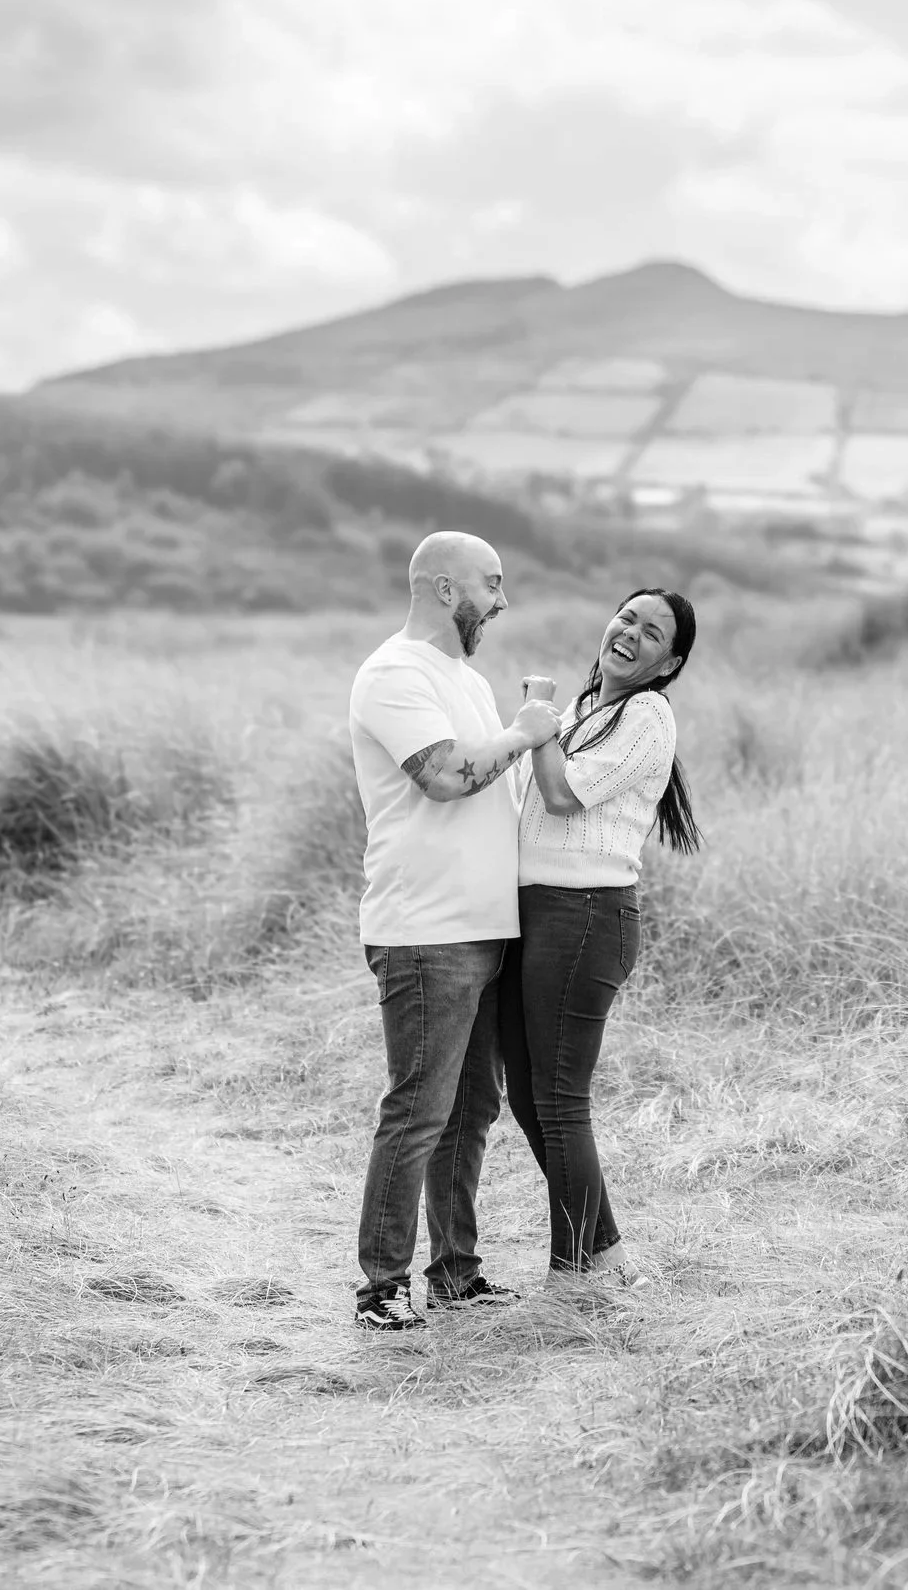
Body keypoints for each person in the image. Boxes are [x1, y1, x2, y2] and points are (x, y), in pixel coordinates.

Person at [345, 531, 562, 1332]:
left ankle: (456, 1274)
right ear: (444, 588)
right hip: (425, 930)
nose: (502, 600)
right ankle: (381, 1287)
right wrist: (524, 732)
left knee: (470, 1110)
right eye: (492, 583)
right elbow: (442, 777)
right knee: (418, 1110)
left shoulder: (463, 678)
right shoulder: (394, 673)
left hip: (483, 930)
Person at [504, 588, 702, 1291]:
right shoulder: (587, 709)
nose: (630, 633)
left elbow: (560, 796)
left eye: (652, 633)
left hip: (583, 915)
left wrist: (537, 725)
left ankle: (571, 1278)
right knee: (529, 1097)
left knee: (559, 1100)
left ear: (668, 662)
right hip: (539, 912)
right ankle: (606, 1255)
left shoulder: (647, 714)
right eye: (627, 617)